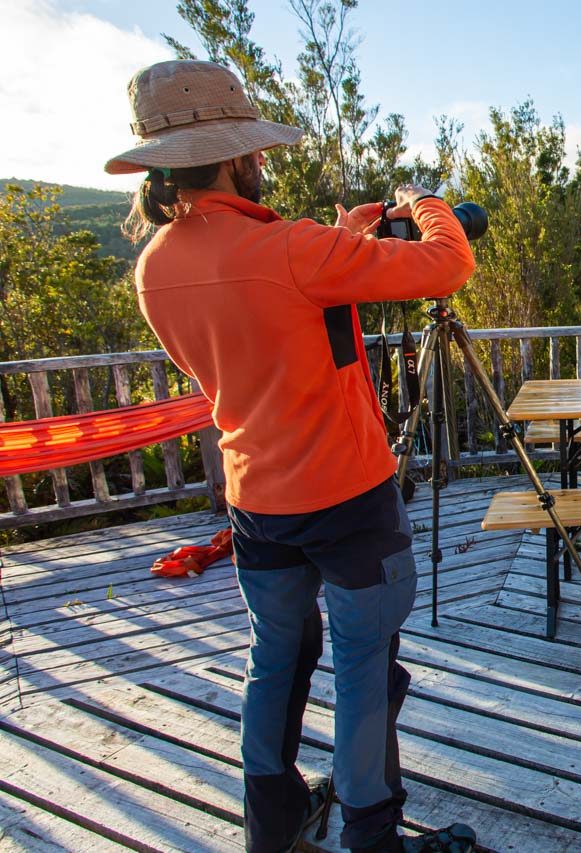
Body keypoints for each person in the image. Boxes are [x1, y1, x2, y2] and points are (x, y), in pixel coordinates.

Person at [107, 59, 477, 853]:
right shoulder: (292, 249)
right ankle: (372, 835)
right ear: (237, 155)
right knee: (365, 668)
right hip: (347, 499)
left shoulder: (155, 267)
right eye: (254, 149)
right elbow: (447, 263)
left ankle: (271, 823)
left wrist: (342, 246)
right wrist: (425, 205)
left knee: (276, 658)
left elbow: (258, 330)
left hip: (255, 498)